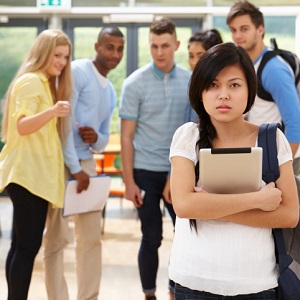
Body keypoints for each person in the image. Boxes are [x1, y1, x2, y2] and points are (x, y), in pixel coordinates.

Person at [168, 42, 299, 299]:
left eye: (234, 85)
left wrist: (210, 207)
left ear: (250, 90)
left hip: (257, 283)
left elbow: (289, 215)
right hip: (194, 280)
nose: (223, 94)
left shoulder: (272, 139)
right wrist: (257, 200)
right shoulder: (188, 136)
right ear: (200, 91)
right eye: (213, 85)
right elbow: (184, 206)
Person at [43, 27, 125, 300]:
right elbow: (63, 123)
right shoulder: (77, 72)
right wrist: (75, 169)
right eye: (109, 47)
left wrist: (96, 136)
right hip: (63, 164)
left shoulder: (111, 91)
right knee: (56, 239)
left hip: (86, 166)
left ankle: (88, 297)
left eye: (119, 48)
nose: (114, 54)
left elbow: (101, 142)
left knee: (91, 238)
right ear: (97, 46)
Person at [119, 17, 191, 300]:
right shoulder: (134, 83)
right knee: (152, 237)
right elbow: (126, 137)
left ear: (176, 44)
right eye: (154, 46)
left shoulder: (190, 81)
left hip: (181, 170)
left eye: (165, 45)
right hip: (144, 171)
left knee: (185, 236)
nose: (159, 52)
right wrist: (128, 182)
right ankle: (149, 294)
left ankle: (176, 290)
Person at [0, 29, 72, 300]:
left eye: (65, 56)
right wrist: (52, 111)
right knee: (27, 248)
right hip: (29, 177)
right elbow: (22, 125)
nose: (62, 62)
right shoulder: (31, 82)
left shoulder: (43, 82)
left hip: (31, 177)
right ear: (43, 53)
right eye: (57, 55)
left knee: (20, 246)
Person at [226, 0, 300, 175]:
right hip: (264, 158)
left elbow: (295, 123)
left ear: (260, 29)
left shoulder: (273, 69)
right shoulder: (247, 65)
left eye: (244, 29)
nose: (237, 36)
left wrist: (283, 170)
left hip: (284, 160)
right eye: (233, 30)